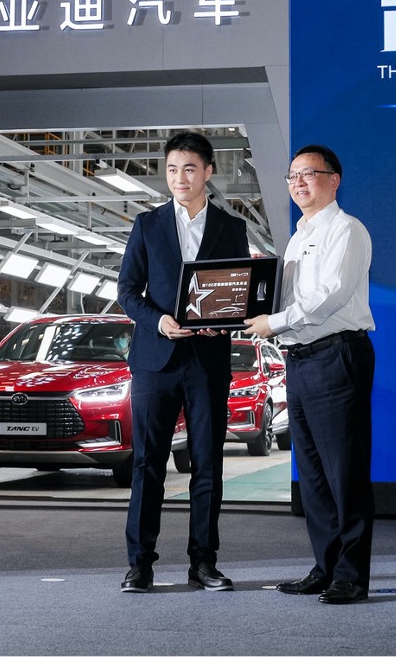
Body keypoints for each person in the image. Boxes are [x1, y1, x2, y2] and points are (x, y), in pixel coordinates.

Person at [117, 131, 249, 594]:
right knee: (147, 464)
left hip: (207, 361)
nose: (179, 178)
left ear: (208, 172)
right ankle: (140, 564)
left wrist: (223, 323)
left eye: (189, 168)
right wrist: (159, 321)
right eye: (172, 169)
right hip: (155, 360)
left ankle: (204, 562)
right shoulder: (147, 225)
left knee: (207, 464)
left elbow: (238, 293)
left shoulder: (231, 228)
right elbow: (127, 292)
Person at [244, 144, 375, 605]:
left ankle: (351, 576)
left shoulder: (346, 229)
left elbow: (331, 296)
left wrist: (275, 322)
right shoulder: (298, 236)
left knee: (344, 471)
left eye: (309, 174)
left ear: (333, 180)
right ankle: (326, 566)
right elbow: (286, 299)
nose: (298, 182)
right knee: (314, 474)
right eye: (292, 176)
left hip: (336, 356)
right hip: (300, 360)